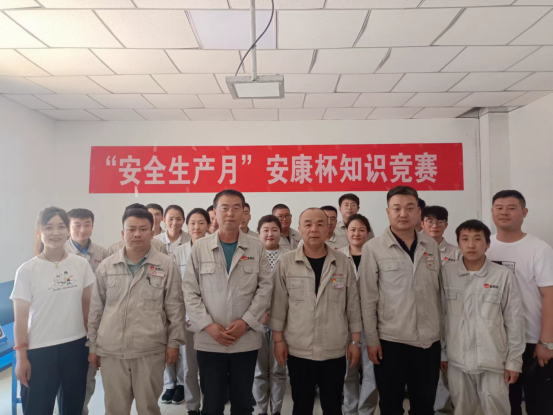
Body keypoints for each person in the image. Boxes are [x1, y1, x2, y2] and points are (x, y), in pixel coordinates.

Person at [87, 208, 186, 415]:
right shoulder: (107, 266)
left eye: (143, 229)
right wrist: (93, 346)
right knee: (115, 409)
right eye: (131, 229)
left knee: (148, 408)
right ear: (123, 233)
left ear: (152, 233)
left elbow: (175, 308)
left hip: (150, 349)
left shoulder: (166, 265)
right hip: (112, 350)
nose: (137, 234)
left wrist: (173, 343)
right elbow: (96, 309)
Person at [183, 189, 273, 415]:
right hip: (209, 339)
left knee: (243, 402)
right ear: (214, 212)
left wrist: (246, 322)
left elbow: (265, 287)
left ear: (244, 213)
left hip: (245, 338)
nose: (230, 213)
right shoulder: (200, 247)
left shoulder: (256, 246)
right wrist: (208, 325)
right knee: (212, 403)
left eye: (236, 208)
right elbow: (190, 290)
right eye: (224, 208)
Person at [269, 207, 363, 415]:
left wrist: (355, 342)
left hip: (334, 348)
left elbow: (353, 305)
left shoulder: (342, 262)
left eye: (320, 224)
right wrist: (278, 341)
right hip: (298, 348)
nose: (314, 229)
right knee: (301, 405)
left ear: (329, 229)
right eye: (308, 224)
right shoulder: (287, 262)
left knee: (332, 405)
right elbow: (278, 306)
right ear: (300, 229)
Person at [359, 186, 442, 415]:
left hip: (428, 341)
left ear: (418, 212)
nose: (403, 213)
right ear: (388, 212)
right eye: (397, 208)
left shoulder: (431, 245)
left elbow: (438, 294)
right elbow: (367, 298)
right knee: (390, 405)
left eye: (409, 208)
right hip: (390, 341)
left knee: (424, 405)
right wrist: (372, 340)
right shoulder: (373, 248)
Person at [11, 207, 94, 415]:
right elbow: (20, 319)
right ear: (39, 232)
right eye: (48, 227)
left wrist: (92, 345)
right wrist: (21, 358)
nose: (55, 232)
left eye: (61, 227)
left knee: (73, 407)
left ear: (68, 231)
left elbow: (87, 309)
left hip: (76, 347)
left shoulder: (81, 265)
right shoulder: (27, 270)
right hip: (39, 350)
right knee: (37, 408)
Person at [441, 219, 525, 415]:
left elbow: (514, 321)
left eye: (477, 239)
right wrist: (443, 354)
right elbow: (440, 317)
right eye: (465, 239)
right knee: (461, 409)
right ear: (458, 244)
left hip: (493, 360)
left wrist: (514, 361)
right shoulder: (446, 274)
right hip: (457, 360)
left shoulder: (503, 275)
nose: (471, 245)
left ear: (487, 244)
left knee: (497, 410)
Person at [486, 190, 553, 415]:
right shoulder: (485, 246)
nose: (504, 212)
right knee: (506, 405)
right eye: (499, 208)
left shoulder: (539, 249)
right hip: (497, 341)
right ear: (492, 212)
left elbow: (550, 296)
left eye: (512, 208)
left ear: (524, 212)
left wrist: (547, 343)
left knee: (539, 404)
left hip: (532, 340)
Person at [162, 208, 210, 414]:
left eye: (201, 223)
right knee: (189, 366)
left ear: (208, 225)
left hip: (212, 319)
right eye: (192, 223)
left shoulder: (215, 248)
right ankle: (192, 406)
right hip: (188, 319)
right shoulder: (178, 252)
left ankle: (211, 404)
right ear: (187, 226)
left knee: (210, 367)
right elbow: (175, 288)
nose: (196, 227)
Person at [64, 208, 109, 415]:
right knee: (65, 377)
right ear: (68, 227)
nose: (82, 230)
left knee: (89, 375)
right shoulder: (59, 252)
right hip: (66, 325)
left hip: (93, 325)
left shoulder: (102, 254)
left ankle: (81, 410)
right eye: (77, 225)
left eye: (87, 225)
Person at [339, 214, 378, 415]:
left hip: (372, 323)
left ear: (368, 233)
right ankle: (350, 410)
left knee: (372, 372)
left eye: (361, 230)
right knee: (347, 371)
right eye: (352, 229)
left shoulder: (376, 255)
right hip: (345, 323)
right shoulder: (337, 256)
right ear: (346, 232)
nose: (356, 233)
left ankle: (366, 411)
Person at [253, 215, 290, 415]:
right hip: (256, 321)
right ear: (258, 233)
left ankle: (276, 409)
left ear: (280, 233)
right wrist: (260, 312)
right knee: (259, 371)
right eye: (265, 230)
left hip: (282, 322)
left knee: (278, 369)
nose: (270, 234)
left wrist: (275, 314)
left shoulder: (290, 257)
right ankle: (261, 409)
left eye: (274, 230)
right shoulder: (250, 256)